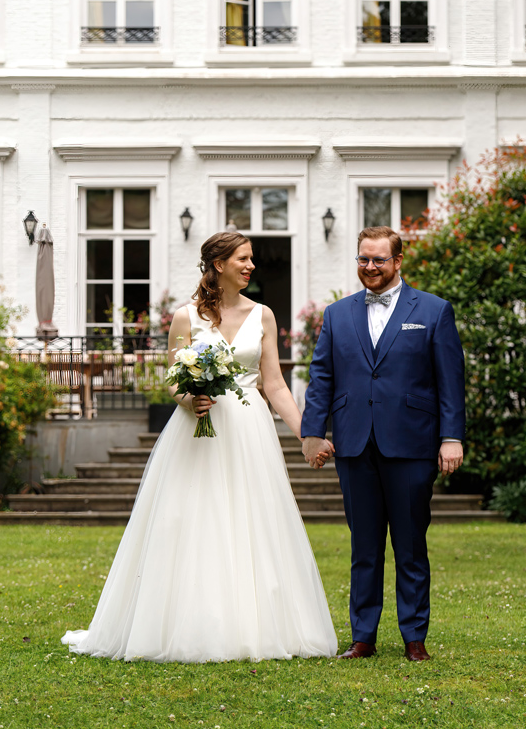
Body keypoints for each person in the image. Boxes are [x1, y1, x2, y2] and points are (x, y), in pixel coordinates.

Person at [63, 231, 337, 662]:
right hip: (195, 431)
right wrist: (190, 399)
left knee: (251, 522)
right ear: (218, 264)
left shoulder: (263, 315)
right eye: (242, 259)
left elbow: (276, 385)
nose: (250, 266)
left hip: (248, 430)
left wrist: (309, 434)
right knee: (191, 520)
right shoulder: (185, 318)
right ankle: (186, 623)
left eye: (251, 260)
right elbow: (174, 381)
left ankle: (255, 626)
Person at [301, 226, 465, 662]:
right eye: (362, 260)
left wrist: (451, 437)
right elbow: (321, 378)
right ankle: (363, 638)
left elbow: (451, 382)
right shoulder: (337, 315)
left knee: (411, 544)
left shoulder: (433, 310)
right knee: (364, 546)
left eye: (378, 260)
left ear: (398, 261)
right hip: (354, 444)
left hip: (412, 443)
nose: (369, 267)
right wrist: (311, 432)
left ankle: (414, 638)